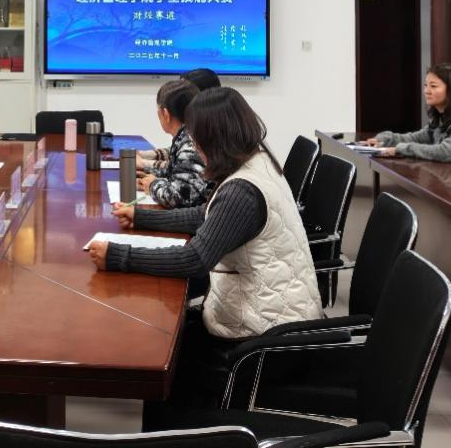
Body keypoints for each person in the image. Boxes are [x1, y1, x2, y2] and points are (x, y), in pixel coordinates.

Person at [88, 87, 321, 404]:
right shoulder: (257, 161)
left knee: (166, 352)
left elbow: (195, 259)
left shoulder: (242, 190)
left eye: (196, 139)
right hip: (268, 317)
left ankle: (179, 422)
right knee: (172, 331)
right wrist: (142, 216)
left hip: (265, 340)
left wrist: (118, 255)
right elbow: (207, 215)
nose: (194, 148)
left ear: (212, 139)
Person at [364, 62, 451, 180]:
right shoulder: (442, 116)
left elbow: (446, 153)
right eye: (426, 85)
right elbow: (416, 138)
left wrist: (401, 149)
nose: (426, 91)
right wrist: (386, 139)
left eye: (433, 86)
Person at [135, 79, 209, 208]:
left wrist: (152, 185)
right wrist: (149, 174)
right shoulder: (189, 134)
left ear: (166, 114)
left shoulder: (191, 143)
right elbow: (175, 169)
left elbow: (179, 198)